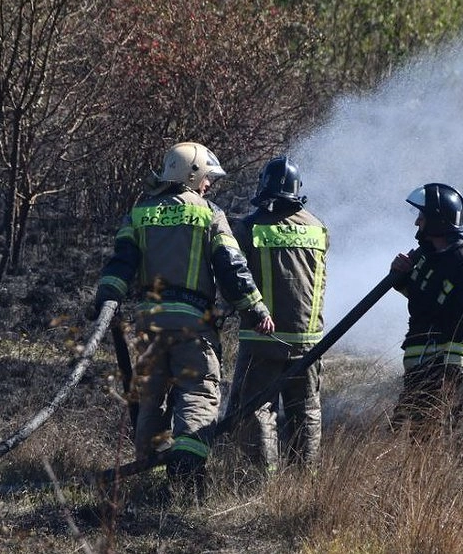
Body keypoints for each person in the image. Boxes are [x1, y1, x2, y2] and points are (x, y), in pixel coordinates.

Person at [90, 141, 275, 498]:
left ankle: (146, 469)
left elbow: (121, 262)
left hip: (150, 324)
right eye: (206, 177)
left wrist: (106, 296)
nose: (209, 184)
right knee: (198, 391)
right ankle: (186, 474)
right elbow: (232, 268)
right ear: (192, 175)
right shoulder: (209, 213)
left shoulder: (140, 212)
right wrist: (256, 309)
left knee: (152, 396)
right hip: (192, 324)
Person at [227, 156, 329, 477]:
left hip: (264, 338)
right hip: (309, 341)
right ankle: (303, 481)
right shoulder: (317, 228)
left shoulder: (250, 228)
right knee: (306, 412)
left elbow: (234, 276)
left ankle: (261, 483)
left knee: (258, 410)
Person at [389, 183, 463, 442]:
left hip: (446, 372)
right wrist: (400, 276)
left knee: (439, 440)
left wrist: (449, 378)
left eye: (422, 217)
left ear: (436, 220)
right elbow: (424, 299)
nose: (417, 222)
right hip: (423, 368)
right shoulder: (428, 257)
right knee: (416, 441)